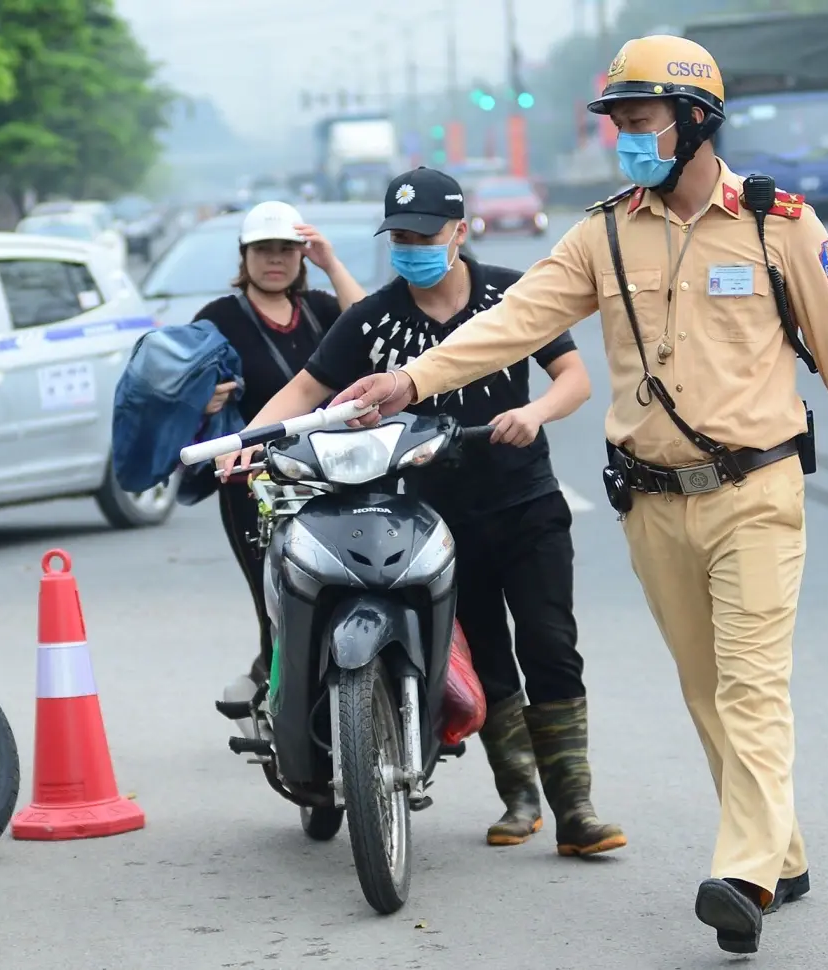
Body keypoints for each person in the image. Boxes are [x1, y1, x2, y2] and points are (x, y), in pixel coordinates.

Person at [325, 35, 828, 955]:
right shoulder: (602, 232)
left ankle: (743, 874)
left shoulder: (777, 224)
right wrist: (412, 383)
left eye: (641, 122)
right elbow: (515, 323)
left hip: (756, 491)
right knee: (705, 687)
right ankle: (783, 851)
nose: (628, 141)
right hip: (651, 503)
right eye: (621, 126)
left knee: (752, 685)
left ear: (696, 120)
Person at [219, 167, 627, 858]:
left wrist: (533, 412)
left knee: (551, 647)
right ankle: (518, 796)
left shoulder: (510, 295)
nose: (412, 247)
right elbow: (304, 391)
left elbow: (575, 378)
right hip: (430, 521)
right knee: (488, 659)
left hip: (525, 501)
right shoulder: (373, 318)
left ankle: (576, 808)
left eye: (424, 234)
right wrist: (244, 445)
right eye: (400, 236)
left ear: (459, 232)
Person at [197, 200, 368, 718]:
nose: (275, 260)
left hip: (333, 470)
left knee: (345, 584)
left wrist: (332, 263)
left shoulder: (319, 307)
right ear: (244, 257)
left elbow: (369, 330)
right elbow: (178, 389)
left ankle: (348, 692)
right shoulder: (218, 318)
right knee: (276, 598)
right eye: (263, 250)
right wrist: (202, 402)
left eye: (286, 250)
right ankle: (282, 707)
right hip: (253, 480)